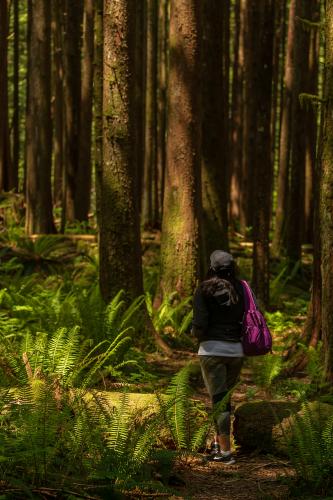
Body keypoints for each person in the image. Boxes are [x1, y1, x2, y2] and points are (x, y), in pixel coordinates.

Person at [192, 250, 246, 464]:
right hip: (236, 351)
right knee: (224, 398)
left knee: (218, 400)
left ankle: (225, 453)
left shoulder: (203, 289)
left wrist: (194, 334)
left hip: (212, 350)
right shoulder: (242, 288)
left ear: (212, 267)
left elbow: (200, 323)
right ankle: (217, 444)